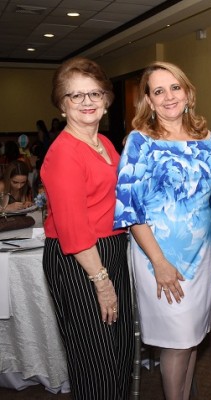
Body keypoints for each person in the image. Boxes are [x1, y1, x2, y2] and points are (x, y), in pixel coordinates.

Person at [113, 61, 211, 400]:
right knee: (176, 342)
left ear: (187, 92)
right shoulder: (139, 141)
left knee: (191, 340)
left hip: (201, 255)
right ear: (149, 100)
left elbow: (210, 198)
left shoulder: (205, 137)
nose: (169, 96)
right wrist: (159, 261)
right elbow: (130, 210)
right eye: (159, 91)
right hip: (156, 257)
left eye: (175, 87)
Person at [41, 57, 134, 399]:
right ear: (62, 105)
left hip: (109, 252)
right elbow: (74, 228)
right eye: (75, 96)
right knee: (95, 359)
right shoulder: (63, 153)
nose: (87, 102)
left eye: (94, 93)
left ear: (106, 100)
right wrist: (102, 282)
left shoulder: (105, 144)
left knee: (118, 351)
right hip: (80, 260)